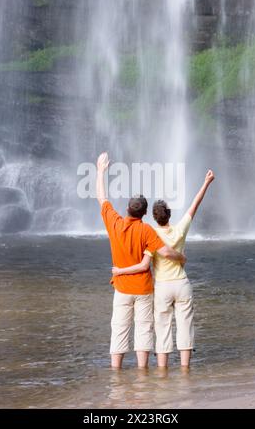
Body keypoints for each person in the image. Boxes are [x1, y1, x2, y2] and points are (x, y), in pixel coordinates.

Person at [113, 170, 215, 369]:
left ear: (153, 216)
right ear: (170, 215)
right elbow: (195, 204)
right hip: (182, 283)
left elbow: (143, 261)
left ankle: (162, 371)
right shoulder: (179, 229)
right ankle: (185, 369)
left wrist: (120, 271)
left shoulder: (150, 234)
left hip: (161, 287)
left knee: (162, 328)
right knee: (185, 326)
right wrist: (206, 182)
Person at [96, 152, 187, 369]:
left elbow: (102, 197)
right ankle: (142, 374)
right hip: (144, 289)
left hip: (122, 288)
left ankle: (116, 373)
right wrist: (181, 257)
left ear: (127, 208)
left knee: (119, 328)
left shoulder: (115, 223)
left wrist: (100, 171)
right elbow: (165, 253)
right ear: (145, 213)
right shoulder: (146, 230)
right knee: (144, 329)